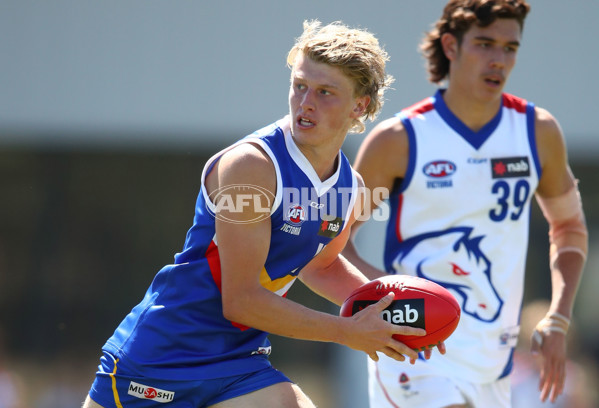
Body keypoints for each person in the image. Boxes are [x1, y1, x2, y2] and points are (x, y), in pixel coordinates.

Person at [82, 19, 428, 408]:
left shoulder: (349, 189)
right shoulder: (252, 167)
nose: (306, 102)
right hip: (161, 356)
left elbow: (323, 266)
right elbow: (242, 300)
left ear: (359, 106)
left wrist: (397, 314)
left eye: (325, 92)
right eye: (299, 86)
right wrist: (345, 331)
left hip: (237, 363)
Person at [342, 1, 588, 407]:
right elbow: (334, 239)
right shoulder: (398, 140)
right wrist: (388, 300)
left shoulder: (537, 132)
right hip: (414, 353)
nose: (498, 60)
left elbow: (570, 228)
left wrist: (558, 316)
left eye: (510, 48)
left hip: (493, 362)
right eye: (485, 44)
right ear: (451, 46)